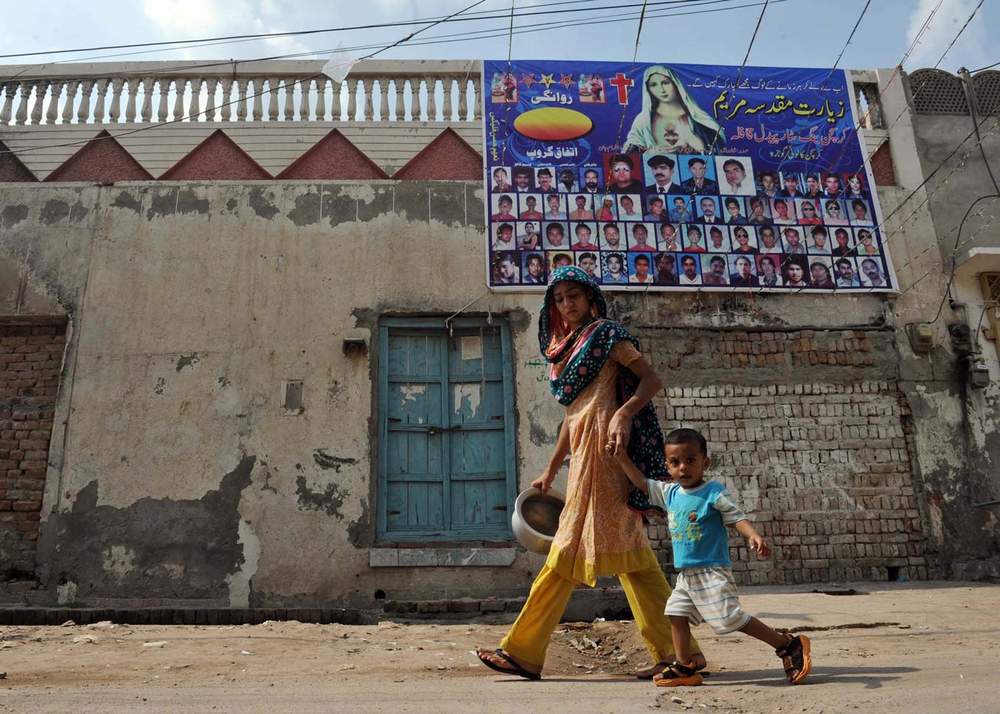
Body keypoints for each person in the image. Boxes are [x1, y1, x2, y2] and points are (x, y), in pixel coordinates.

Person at [615, 429, 813, 688]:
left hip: (712, 571)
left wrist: (752, 535)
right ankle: (685, 666)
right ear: (668, 466)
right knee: (675, 612)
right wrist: (620, 458)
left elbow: (736, 517)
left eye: (690, 460)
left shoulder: (713, 492)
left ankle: (787, 644)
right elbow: (642, 483)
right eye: (675, 462)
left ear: (705, 462)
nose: (683, 467)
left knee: (730, 618)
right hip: (687, 575)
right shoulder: (670, 493)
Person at [624, 65, 725, 153]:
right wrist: (650, 153)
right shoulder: (643, 120)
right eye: (654, 85)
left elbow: (718, 146)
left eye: (665, 83)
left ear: (675, 84)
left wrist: (696, 143)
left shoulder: (697, 117)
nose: (661, 90)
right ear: (648, 89)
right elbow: (628, 153)